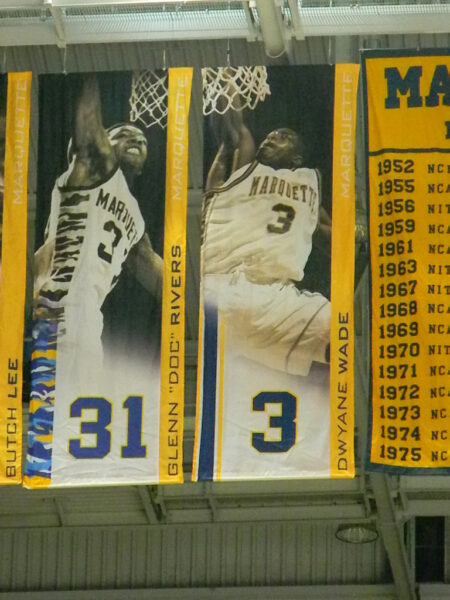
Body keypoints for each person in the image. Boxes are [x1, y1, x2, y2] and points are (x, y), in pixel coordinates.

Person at [33, 74, 162, 375]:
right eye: (124, 135)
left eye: (141, 139)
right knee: (60, 410)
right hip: (62, 303)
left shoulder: (135, 216)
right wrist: (93, 61)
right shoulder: (94, 166)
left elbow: (157, 273)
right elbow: (88, 113)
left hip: (88, 317)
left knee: (79, 413)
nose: (137, 139)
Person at [202, 95, 331, 377]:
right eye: (269, 136)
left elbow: (332, 239)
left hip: (277, 301)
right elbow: (234, 128)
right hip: (219, 290)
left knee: (344, 333)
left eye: (281, 137)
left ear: (297, 157)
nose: (270, 139)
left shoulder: (309, 186)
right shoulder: (244, 164)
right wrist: (228, 85)